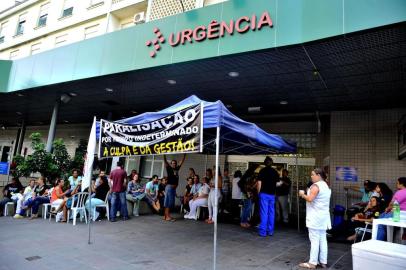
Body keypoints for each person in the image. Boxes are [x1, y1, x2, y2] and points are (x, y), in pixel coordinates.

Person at [298, 168, 331, 269]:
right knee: (322, 239)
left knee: (314, 240)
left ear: (319, 175)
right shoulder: (325, 185)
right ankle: (323, 261)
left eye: (313, 175)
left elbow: (310, 199)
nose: (311, 176)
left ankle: (312, 263)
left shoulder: (316, 186)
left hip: (315, 217)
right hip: (323, 217)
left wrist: (302, 194)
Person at [376, 177, 406, 241]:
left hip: (398, 214)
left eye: (397, 183)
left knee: (380, 224)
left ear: (402, 184)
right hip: (401, 214)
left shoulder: (401, 192)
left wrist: (388, 208)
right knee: (380, 217)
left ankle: (378, 243)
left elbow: (393, 204)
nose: (396, 184)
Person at [257, 157, 279, 237]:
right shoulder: (275, 171)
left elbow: (259, 183)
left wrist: (258, 193)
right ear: (272, 163)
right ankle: (270, 231)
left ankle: (263, 232)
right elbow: (277, 183)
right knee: (271, 212)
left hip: (264, 194)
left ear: (264, 163)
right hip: (272, 194)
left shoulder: (262, 171)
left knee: (264, 212)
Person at [163, 154, 186, 222]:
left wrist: (184, 155)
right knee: (169, 203)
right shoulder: (169, 169)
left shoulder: (176, 169)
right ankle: (168, 216)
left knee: (168, 202)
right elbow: (165, 162)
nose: (174, 164)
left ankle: (165, 216)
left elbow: (181, 162)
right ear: (171, 164)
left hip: (172, 189)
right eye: (172, 163)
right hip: (169, 187)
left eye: (175, 163)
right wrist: (164, 155)